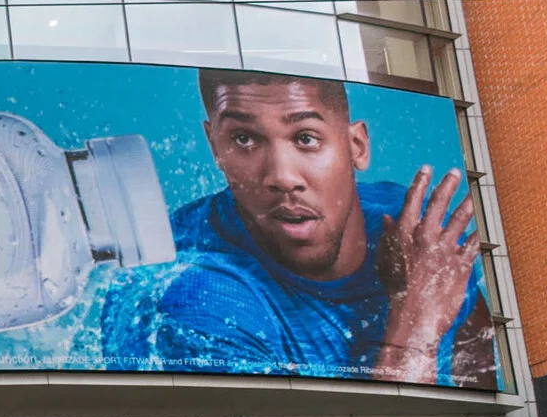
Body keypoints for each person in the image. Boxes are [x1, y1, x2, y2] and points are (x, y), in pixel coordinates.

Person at [111, 70, 495, 386]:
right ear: (215, 147)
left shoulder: (418, 229)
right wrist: (415, 323)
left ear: (356, 145)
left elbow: (478, 362)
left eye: (305, 138)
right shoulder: (197, 298)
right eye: (244, 139)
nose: (281, 177)